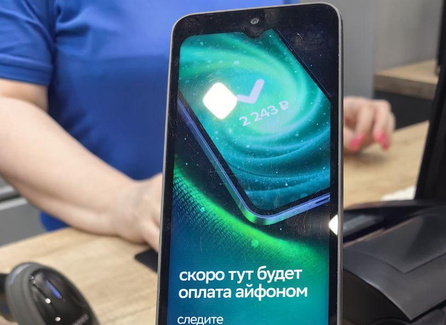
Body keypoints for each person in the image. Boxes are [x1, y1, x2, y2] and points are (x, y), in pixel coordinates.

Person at [0, 1, 395, 251]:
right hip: (123, 249)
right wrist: (124, 202)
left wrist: (313, 110)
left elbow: (258, 66)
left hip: (272, 228)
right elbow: (9, 105)